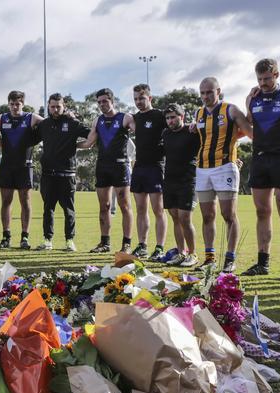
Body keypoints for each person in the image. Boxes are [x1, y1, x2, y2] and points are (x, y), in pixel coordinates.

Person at [194, 77, 252, 272]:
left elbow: (248, 131)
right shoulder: (198, 113)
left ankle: (230, 258)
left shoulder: (230, 110)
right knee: (207, 215)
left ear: (218, 91)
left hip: (225, 167)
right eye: (202, 93)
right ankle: (209, 259)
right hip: (202, 169)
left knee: (228, 214)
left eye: (209, 92)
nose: (205, 96)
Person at [242, 58, 280, 279]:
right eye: (259, 79)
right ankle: (263, 263)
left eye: (267, 78)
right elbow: (250, 122)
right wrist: (248, 102)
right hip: (260, 159)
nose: (263, 83)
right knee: (262, 211)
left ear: (277, 75)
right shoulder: (253, 98)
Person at [78, 88, 135, 253]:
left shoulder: (125, 118)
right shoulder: (98, 121)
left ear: (112, 101)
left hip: (121, 166)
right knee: (104, 206)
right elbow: (88, 143)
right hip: (102, 166)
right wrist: (68, 145)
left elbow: (142, 133)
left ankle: (127, 244)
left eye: (105, 101)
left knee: (125, 206)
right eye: (99, 102)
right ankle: (105, 243)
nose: (102, 104)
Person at [34, 92, 90, 251]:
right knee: (48, 209)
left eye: (58, 107)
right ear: (48, 107)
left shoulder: (72, 123)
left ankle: (69, 241)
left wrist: (80, 145)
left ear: (64, 106)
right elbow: (30, 138)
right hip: (48, 175)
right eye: (52, 107)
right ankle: (47, 240)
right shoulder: (44, 125)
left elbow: (93, 133)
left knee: (69, 210)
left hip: (67, 175)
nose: (55, 109)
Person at [0, 90, 42, 249]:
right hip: (7, 166)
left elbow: (48, 124)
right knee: (6, 201)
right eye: (12, 104)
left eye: (18, 104)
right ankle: (6, 237)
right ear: (8, 104)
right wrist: (2, 146)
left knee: (25, 202)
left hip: (25, 166)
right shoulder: (2, 118)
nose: (15, 107)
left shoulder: (31, 118)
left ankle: (25, 238)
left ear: (23, 104)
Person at [131, 84, 167, 260]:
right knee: (140, 209)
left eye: (142, 98)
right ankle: (142, 245)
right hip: (139, 167)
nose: (138, 102)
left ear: (150, 98)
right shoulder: (135, 118)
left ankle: (159, 247)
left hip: (155, 167)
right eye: (136, 98)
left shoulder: (160, 116)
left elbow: (177, 124)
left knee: (158, 210)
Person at [161, 103, 201, 267]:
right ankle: (180, 252)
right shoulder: (165, 134)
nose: (170, 121)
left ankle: (193, 254)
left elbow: (210, 141)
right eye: (168, 118)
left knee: (185, 218)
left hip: (188, 180)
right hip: (170, 180)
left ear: (182, 117)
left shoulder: (192, 132)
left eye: (173, 117)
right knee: (175, 217)